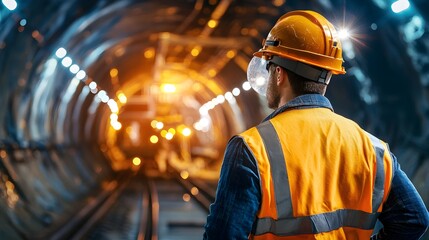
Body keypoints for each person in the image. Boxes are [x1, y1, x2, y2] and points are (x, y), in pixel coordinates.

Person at [203, 10, 429, 239]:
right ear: (328, 74)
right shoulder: (373, 149)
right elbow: (414, 219)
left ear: (279, 74)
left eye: (269, 67)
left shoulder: (251, 148)